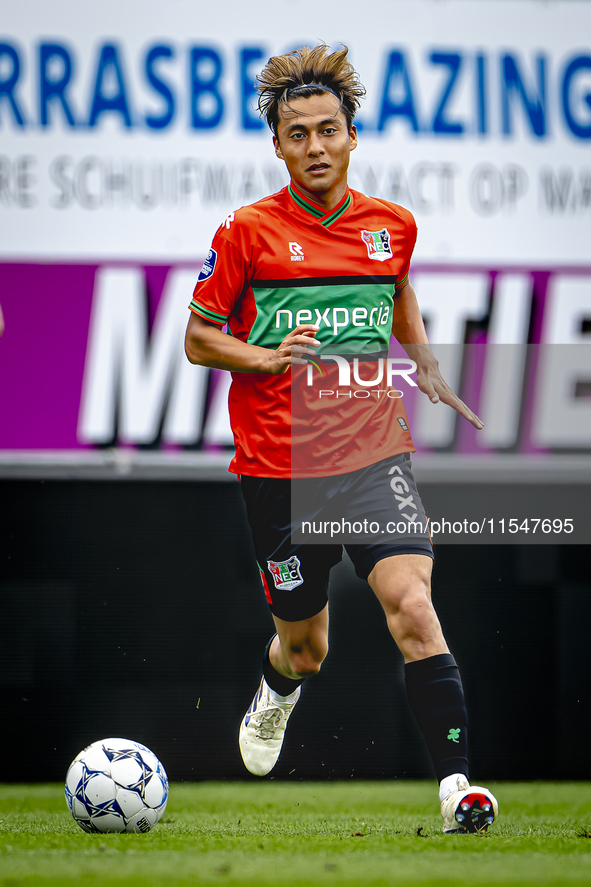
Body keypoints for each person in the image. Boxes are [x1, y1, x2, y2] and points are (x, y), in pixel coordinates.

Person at [185, 44, 498, 834]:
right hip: (277, 470)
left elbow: (393, 289)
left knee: (413, 607)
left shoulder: (391, 226)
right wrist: (264, 355)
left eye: (329, 130)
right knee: (307, 648)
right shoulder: (247, 232)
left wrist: (421, 357)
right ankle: (276, 688)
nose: (316, 146)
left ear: (352, 136)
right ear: (278, 145)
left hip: (370, 456)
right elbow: (197, 336)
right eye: (299, 134)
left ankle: (458, 786)